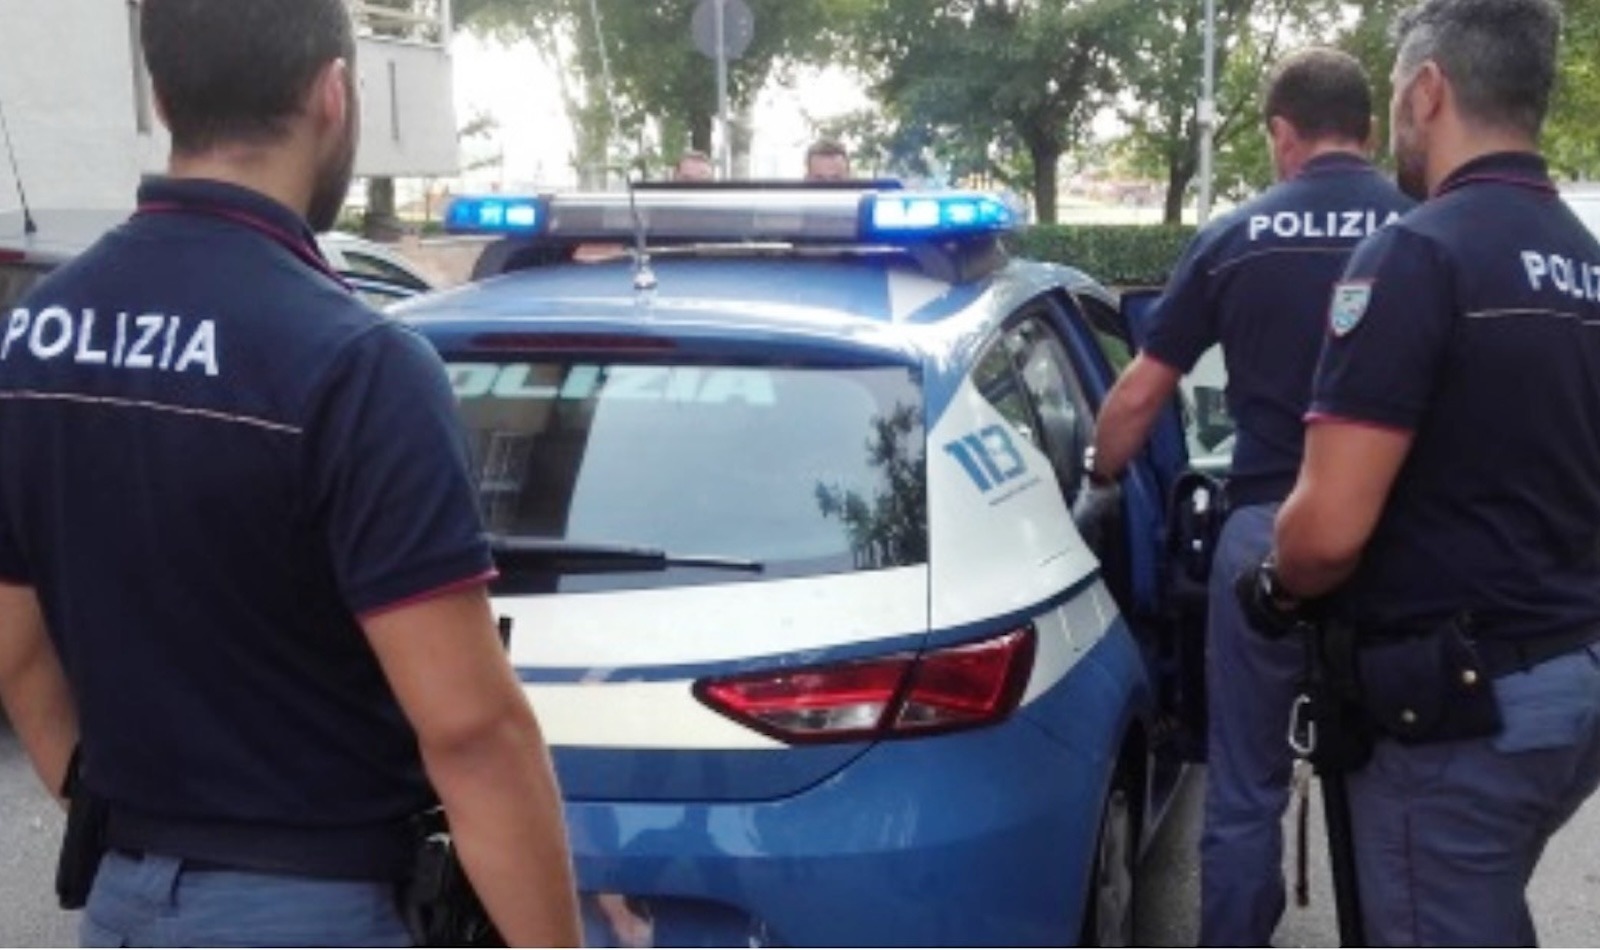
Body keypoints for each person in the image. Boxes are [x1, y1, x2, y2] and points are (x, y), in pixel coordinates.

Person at [0, 0, 580, 945]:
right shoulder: (353, 361)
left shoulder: (34, 336)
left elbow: (18, 655)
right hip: (318, 905)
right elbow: (471, 731)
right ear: (333, 94)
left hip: (126, 903)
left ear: (161, 96)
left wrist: (145, 847)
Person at [1259, 0, 1600, 943]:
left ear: (1428, 88)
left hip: (1461, 711)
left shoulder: (1417, 254)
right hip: (1570, 684)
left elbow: (1325, 536)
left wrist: (1271, 587)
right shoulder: (1584, 261)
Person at [1090, 48, 1411, 946]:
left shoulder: (1235, 239)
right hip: (1396, 541)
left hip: (1267, 535)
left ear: (1280, 134)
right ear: (1372, 131)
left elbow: (1139, 400)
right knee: (1402, 782)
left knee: (1244, 788)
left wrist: (1097, 481)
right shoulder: (1422, 229)